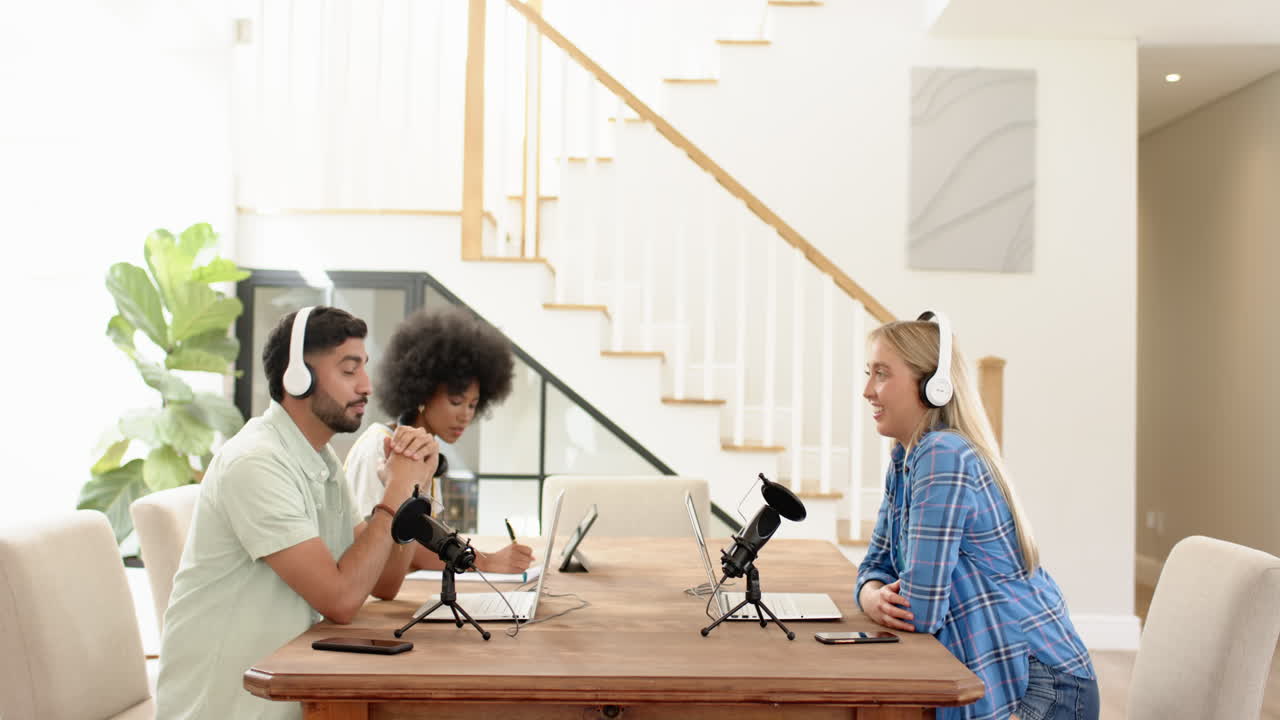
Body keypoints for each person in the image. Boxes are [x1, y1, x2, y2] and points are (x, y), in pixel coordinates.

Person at [156, 306, 437, 720]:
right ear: (296, 378)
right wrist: (393, 495)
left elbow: (384, 583)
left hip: (290, 691)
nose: (366, 386)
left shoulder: (319, 460)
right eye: (348, 370)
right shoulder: (255, 463)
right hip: (229, 708)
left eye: (364, 368)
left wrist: (413, 491)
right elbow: (341, 600)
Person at [855, 311, 1098, 720]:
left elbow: (920, 611)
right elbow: (873, 565)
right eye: (869, 373)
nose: (867, 390)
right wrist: (872, 596)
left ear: (933, 386)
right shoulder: (905, 458)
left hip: (1041, 690)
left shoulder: (943, 454)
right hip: (1012, 677)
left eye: (881, 374)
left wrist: (879, 598)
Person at [346, 305, 534, 575]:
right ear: (422, 393)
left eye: (473, 405)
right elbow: (380, 546)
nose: (465, 416)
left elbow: (425, 540)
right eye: (456, 401)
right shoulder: (380, 445)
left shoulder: (428, 455)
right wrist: (487, 562)